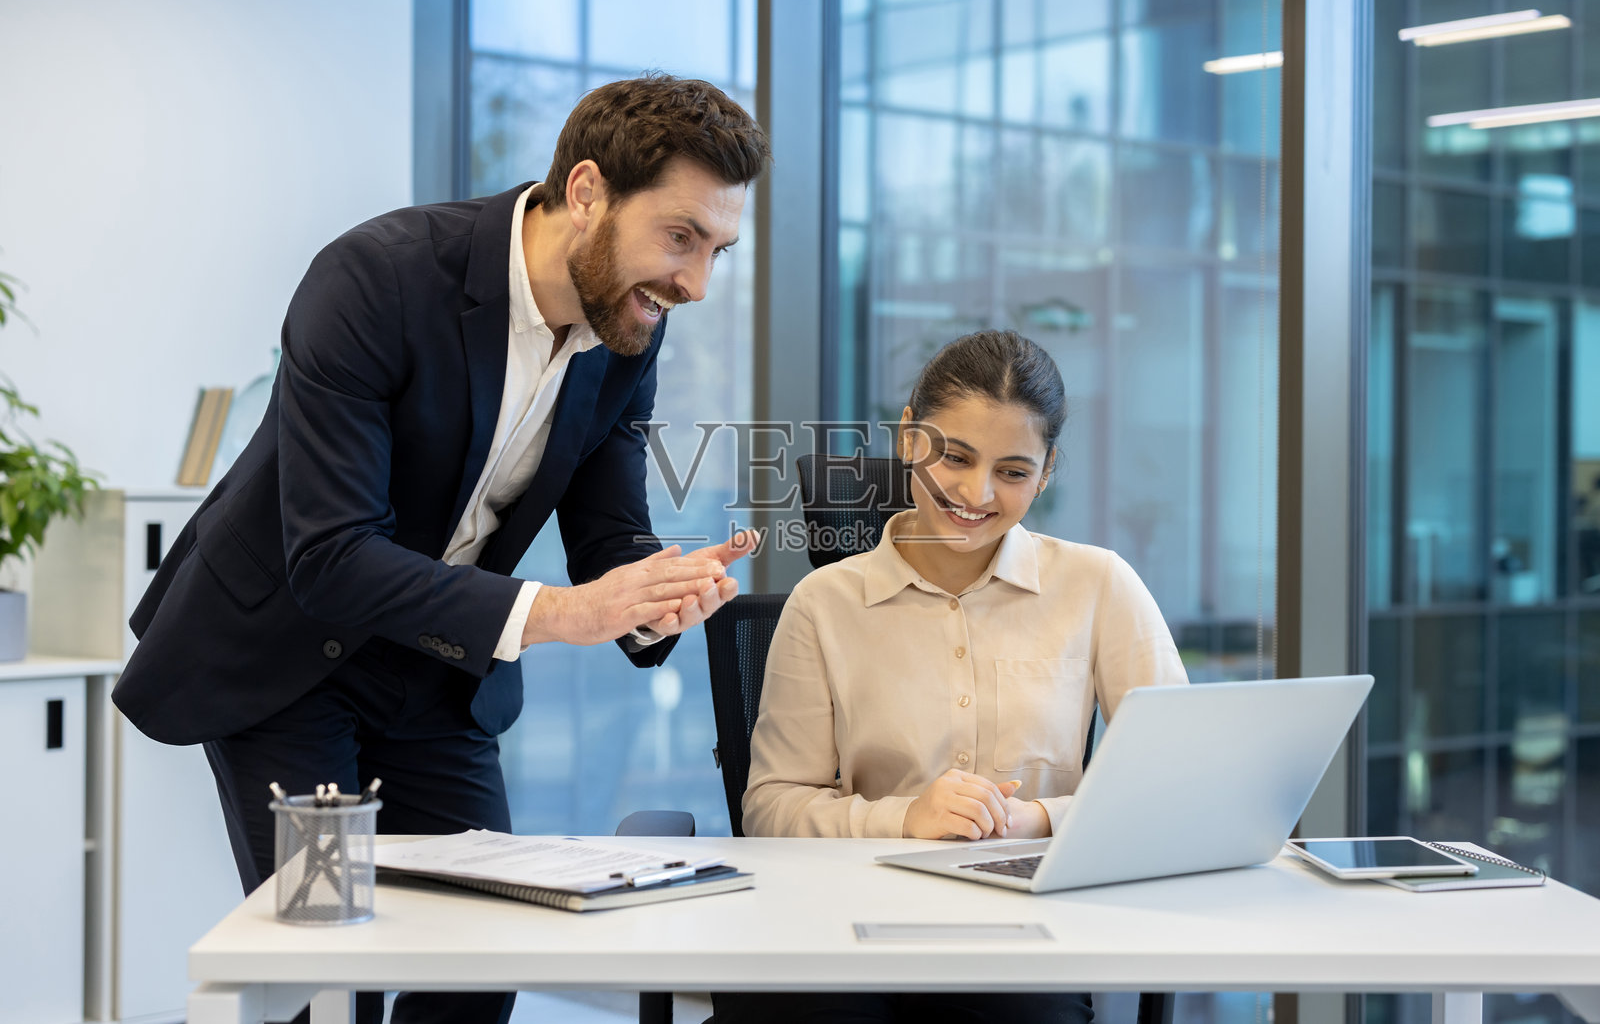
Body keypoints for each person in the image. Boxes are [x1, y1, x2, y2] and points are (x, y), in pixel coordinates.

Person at [112, 74, 770, 1024]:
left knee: (479, 960)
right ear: (586, 191)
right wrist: (563, 614)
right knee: (329, 972)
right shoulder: (377, 277)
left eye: (718, 250)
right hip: (291, 655)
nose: (695, 283)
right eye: (679, 238)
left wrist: (653, 591)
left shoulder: (631, 325)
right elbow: (333, 553)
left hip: (437, 665)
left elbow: (607, 527)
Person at [716, 329, 1188, 1024]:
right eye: (956, 457)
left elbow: (1177, 784)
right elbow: (772, 807)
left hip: (1023, 936)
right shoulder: (824, 605)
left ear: (1048, 471)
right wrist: (906, 817)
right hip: (841, 926)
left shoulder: (1098, 586)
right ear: (910, 437)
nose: (977, 492)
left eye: (1013, 471)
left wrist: (1037, 819)